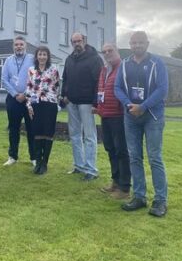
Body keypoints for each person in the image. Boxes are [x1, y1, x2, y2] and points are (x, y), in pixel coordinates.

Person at [115, 31, 168, 217]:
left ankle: (160, 200)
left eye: (140, 42)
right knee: (134, 157)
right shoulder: (124, 64)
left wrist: (143, 106)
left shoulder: (157, 63)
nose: (137, 45)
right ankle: (139, 197)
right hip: (131, 116)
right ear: (130, 44)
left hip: (152, 115)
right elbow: (117, 87)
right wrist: (129, 105)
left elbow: (162, 89)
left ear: (147, 43)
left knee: (155, 157)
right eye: (134, 43)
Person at [61, 33, 103, 181]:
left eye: (79, 41)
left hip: (87, 103)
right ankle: (79, 166)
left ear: (84, 41)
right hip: (72, 102)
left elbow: (99, 81)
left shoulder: (94, 58)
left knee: (89, 136)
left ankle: (91, 169)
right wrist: (64, 95)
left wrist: (96, 102)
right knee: (75, 135)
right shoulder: (69, 59)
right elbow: (65, 78)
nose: (76, 44)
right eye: (74, 42)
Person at [94, 43, 131, 199]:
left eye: (110, 50)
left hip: (119, 115)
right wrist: (98, 107)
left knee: (121, 151)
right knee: (110, 149)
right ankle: (115, 181)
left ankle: (124, 188)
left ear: (117, 51)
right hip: (105, 115)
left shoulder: (124, 68)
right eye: (104, 52)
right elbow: (101, 90)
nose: (107, 53)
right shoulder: (104, 70)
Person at [25, 46, 60, 175]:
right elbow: (28, 88)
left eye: (44, 54)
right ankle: (38, 162)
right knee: (37, 133)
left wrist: (57, 103)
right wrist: (29, 106)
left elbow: (57, 87)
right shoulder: (31, 70)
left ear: (48, 56)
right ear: (36, 56)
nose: (42, 57)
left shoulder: (54, 70)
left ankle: (45, 163)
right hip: (36, 105)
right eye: (40, 54)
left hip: (50, 104)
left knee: (48, 133)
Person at [1, 36, 35, 166]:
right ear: (13, 46)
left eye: (21, 44)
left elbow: (35, 78)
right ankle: (12, 156)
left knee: (31, 128)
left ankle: (34, 157)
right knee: (13, 128)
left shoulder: (32, 59)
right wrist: (16, 94)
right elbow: (4, 80)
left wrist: (25, 94)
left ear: (25, 46)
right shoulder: (8, 61)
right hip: (13, 99)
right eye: (16, 45)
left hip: (29, 99)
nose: (19, 47)